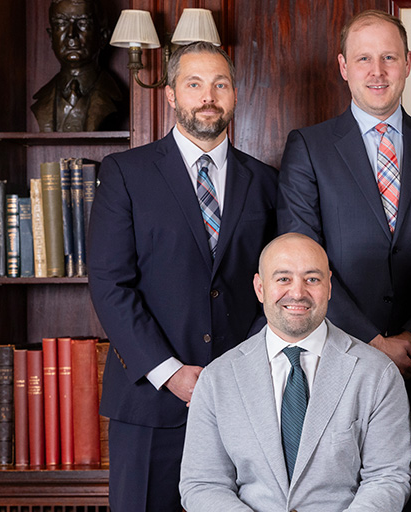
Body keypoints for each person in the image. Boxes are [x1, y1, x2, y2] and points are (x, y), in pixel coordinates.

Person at [87, 42, 278, 512]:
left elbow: (278, 289)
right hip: (151, 406)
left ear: (235, 94)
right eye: (193, 84)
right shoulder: (125, 174)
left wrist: (232, 374)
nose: (207, 95)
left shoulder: (268, 182)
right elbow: (111, 284)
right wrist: (171, 374)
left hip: (243, 403)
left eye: (220, 84)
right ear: (171, 95)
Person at [278, 10, 411, 388]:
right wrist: (372, 341)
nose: (377, 71)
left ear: (407, 64)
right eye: (363, 58)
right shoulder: (308, 147)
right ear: (344, 67)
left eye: (388, 57)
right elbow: (303, 258)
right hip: (339, 351)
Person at [180, 233, 411, 511]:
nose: (298, 292)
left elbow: (388, 477)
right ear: (260, 287)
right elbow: (203, 484)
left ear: (329, 287)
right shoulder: (218, 378)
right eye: (283, 279)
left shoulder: (378, 374)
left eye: (312, 279)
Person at [32, 0, 123, 132]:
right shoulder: (41, 100)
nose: (71, 34)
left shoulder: (117, 96)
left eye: (83, 23)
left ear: (103, 36)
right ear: (51, 36)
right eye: (61, 24)